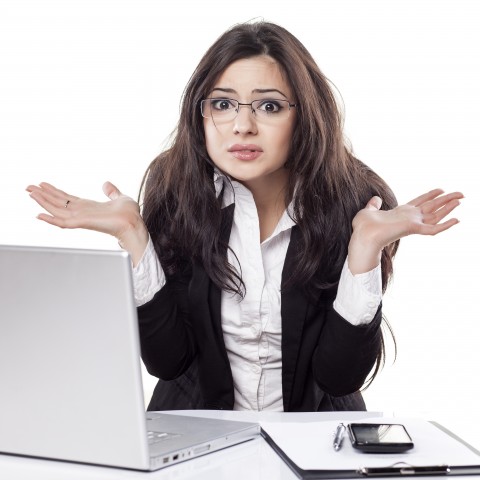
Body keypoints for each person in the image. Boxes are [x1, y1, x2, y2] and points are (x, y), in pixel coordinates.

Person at [27, 21, 462, 412]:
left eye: (269, 106)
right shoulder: (177, 192)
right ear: (201, 113)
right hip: (196, 436)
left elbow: (339, 377)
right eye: (222, 104)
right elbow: (169, 361)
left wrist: (364, 250)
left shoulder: (351, 203)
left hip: (313, 445)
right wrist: (133, 236)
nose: (242, 126)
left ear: (305, 116)